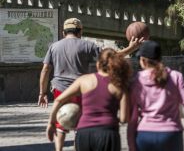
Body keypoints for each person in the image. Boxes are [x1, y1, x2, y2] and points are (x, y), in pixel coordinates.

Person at [38, 18, 141, 151]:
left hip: (60, 88)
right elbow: (110, 56)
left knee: (61, 121)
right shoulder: (88, 45)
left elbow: (45, 69)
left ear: (64, 32)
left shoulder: (54, 46)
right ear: (80, 32)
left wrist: (42, 92)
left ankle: (59, 149)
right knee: (80, 121)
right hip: (81, 89)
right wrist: (130, 48)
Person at [46, 48, 132, 151]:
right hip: (108, 132)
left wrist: (51, 123)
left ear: (98, 64)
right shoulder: (119, 85)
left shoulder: (84, 80)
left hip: (84, 132)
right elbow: (124, 118)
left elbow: (58, 100)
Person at [128, 40, 184, 151]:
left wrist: (131, 144)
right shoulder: (176, 76)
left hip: (145, 134)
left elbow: (133, 117)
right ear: (160, 59)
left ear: (143, 61)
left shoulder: (137, 80)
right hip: (171, 134)